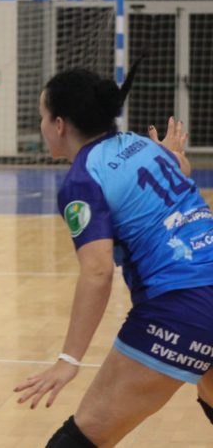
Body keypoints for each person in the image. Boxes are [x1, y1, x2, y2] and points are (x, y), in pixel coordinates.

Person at [14, 64, 213, 447]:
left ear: (59, 125)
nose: (41, 126)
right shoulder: (141, 145)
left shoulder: (83, 180)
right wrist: (172, 153)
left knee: (82, 438)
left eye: (42, 116)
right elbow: (180, 168)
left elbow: (97, 273)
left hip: (180, 303)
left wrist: (69, 360)